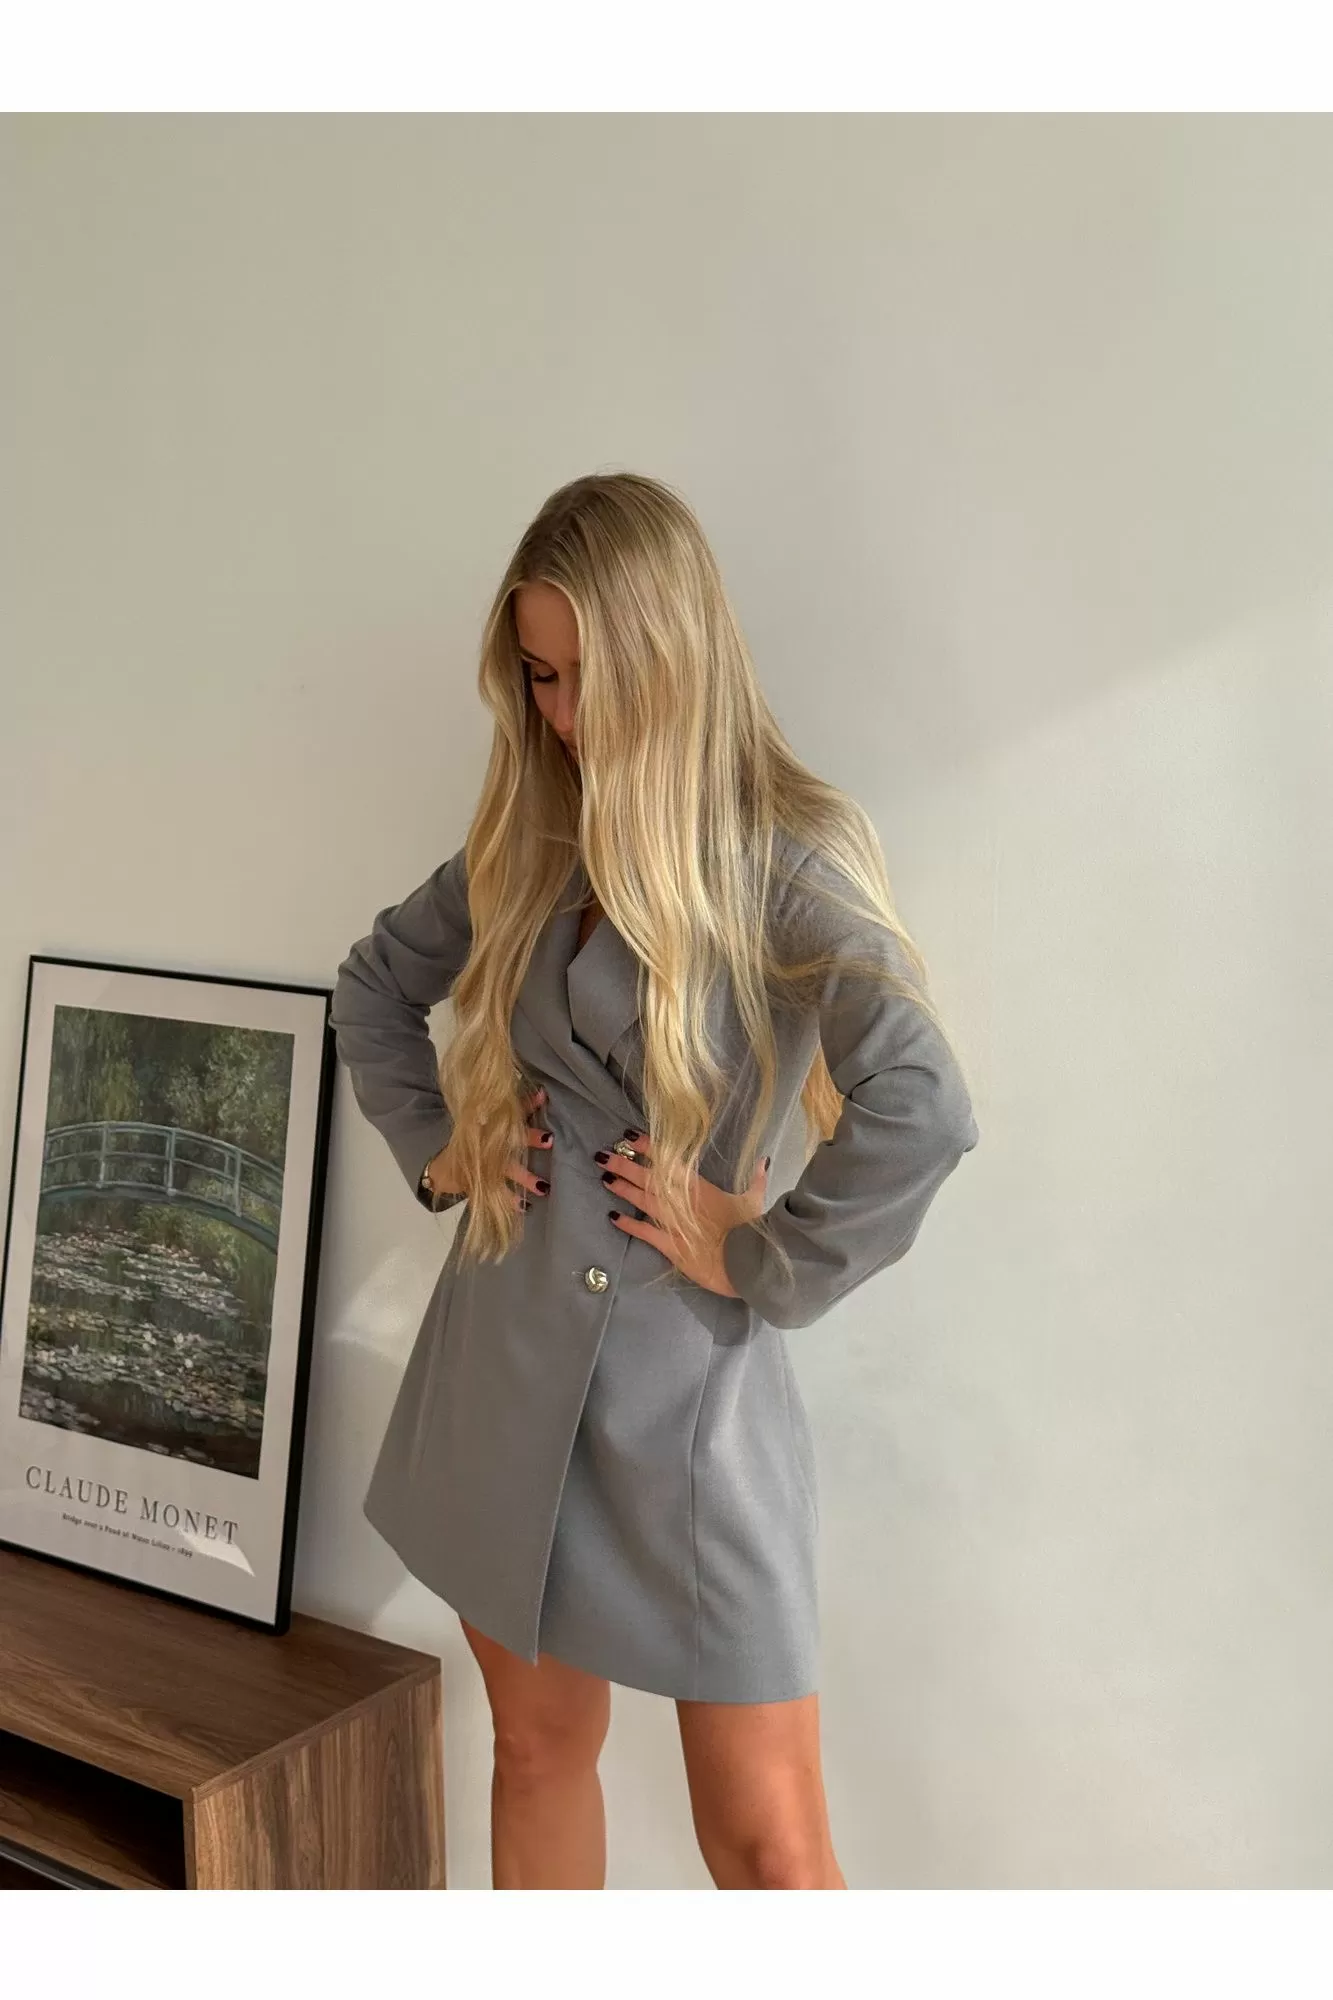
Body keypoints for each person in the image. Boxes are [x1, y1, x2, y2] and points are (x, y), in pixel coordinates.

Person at [330, 470, 980, 1890]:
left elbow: (923, 1108)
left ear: (671, 660)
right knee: (535, 1750)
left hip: (686, 1406)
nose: (562, 716)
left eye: (588, 676)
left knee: (769, 1847)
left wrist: (757, 1250)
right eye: (539, 676)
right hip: (502, 1363)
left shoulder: (782, 863)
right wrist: (443, 1145)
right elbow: (373, 988)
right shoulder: (531, 838)